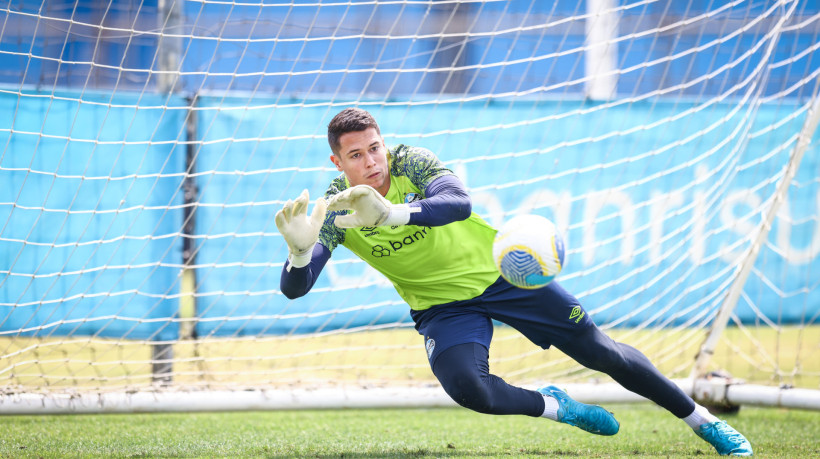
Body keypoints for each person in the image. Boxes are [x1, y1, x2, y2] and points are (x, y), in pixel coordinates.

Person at [274, 107, 753, 456]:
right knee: (470, 390)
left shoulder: (410, 162)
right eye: (356, 155)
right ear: (338, 164)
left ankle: (703, 421)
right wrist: (299, 252)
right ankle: (556, 406)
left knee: (602, 352)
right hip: (443, 308)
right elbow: (296, 288)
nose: (372, 161)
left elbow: (457, 202)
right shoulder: (334, 209)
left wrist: (395, 213)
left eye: (374, 147)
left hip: (504, 276)